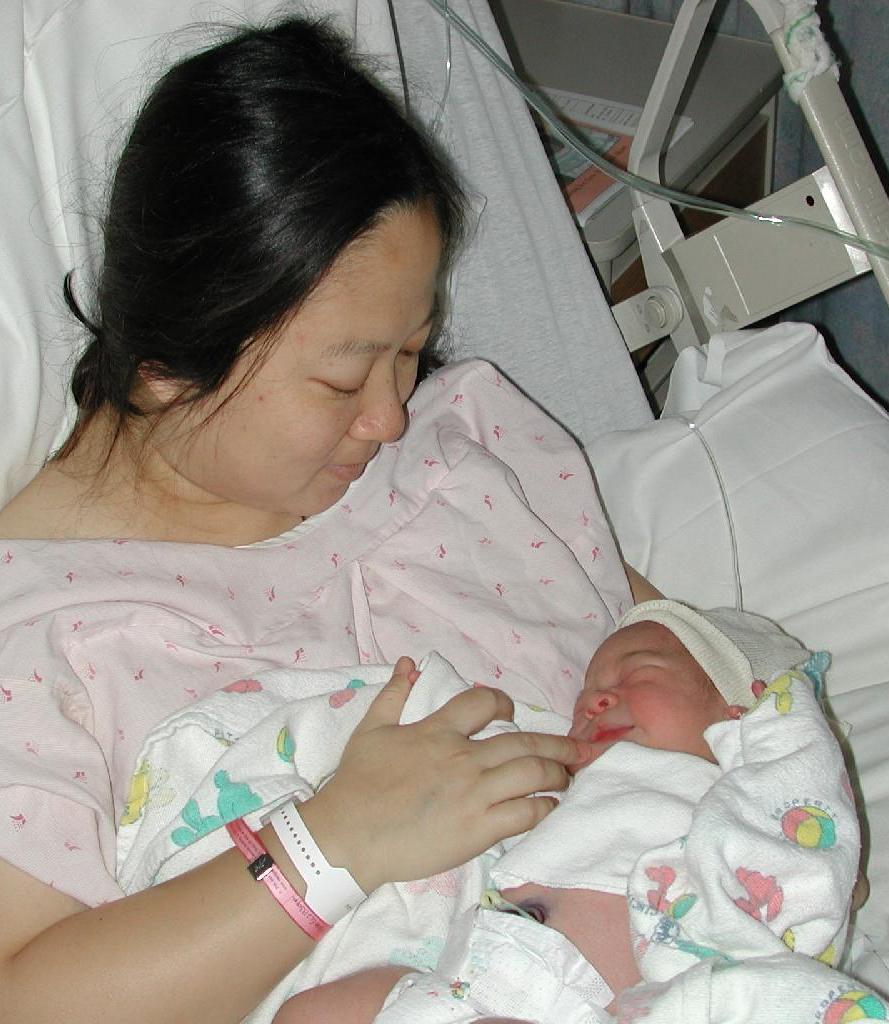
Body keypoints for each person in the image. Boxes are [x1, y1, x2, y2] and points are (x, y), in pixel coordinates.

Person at [0, 16, 655, 1023]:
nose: (390, 417)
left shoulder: (459, 445)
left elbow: (683, 663)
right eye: (345, 378)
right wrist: (330, 845)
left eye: (411, 349)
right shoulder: (44, 635)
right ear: (168, 364)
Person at [270, 600, 864, 1024]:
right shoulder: (564, 786)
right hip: (474, 977)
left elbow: (811, 838)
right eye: (585, 694)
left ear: (739, 712)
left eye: (639, 672)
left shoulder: (737, 795)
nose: (592, 700)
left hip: (599, 1001)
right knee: (308, 1014)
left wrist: (786, 734)